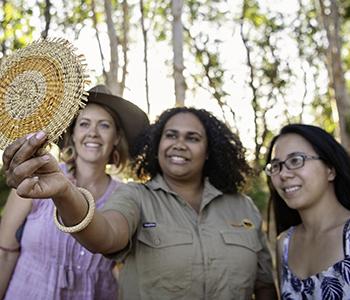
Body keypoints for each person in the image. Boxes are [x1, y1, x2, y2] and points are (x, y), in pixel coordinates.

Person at [2, 106, 277, 300]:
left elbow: (264, 286)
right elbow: (105, 235)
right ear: (157, 146)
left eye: (192, 138)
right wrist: (64, 193)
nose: (180, 144)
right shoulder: (135, 197)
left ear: (209, 152)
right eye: (171, 135)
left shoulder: (243, 208)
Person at [0, 84, 149, 300]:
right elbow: (4, 253)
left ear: (116, 137)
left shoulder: (126, 196)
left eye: (104, 126)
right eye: (84, 124)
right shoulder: (38, 177)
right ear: (73, 133)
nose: (93, 133)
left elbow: (124, 270)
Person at [265, 123, 350, 299]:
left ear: (330, 169)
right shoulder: (284, 245)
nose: (283, 174)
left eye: (295, 160)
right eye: (276, 166)